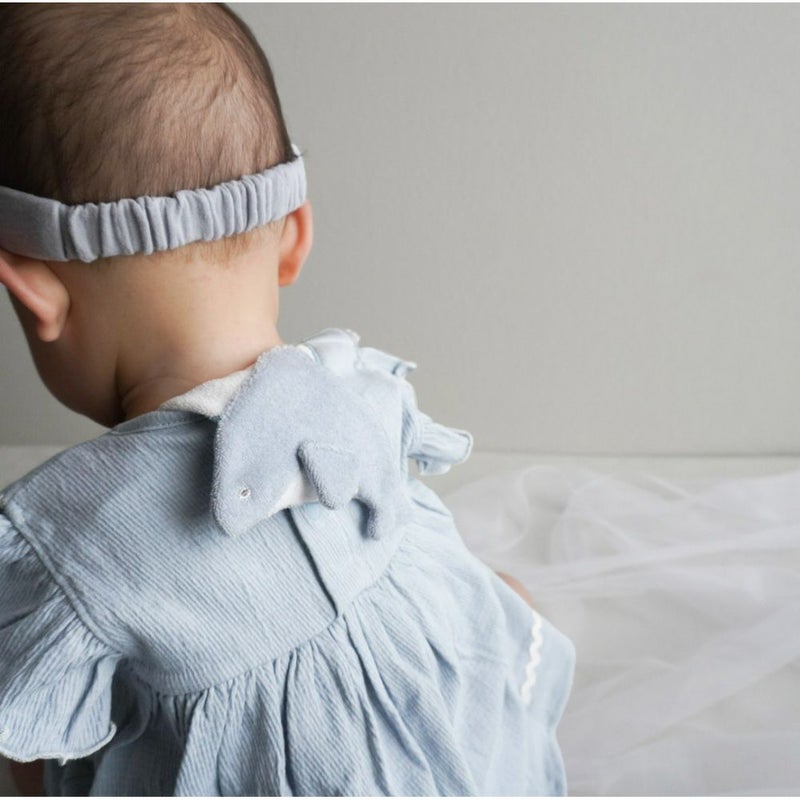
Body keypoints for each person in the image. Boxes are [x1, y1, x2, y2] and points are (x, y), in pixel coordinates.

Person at [0, 4, 574, 795]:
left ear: (34, 293)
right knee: (484, 599)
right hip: (472, 763)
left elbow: (28, 729)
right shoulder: (364, 389)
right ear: (295, 234)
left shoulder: (71, 542)